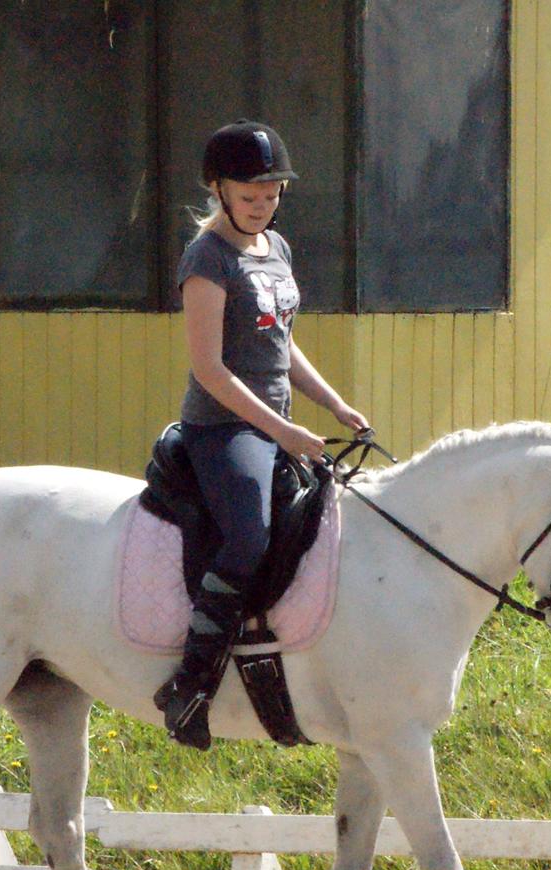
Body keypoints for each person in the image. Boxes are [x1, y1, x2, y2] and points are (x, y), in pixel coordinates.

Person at [153, 119, 369, 750]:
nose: (263, 205)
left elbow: (282, 343)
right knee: (249, 534)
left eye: (273, 194)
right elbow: (210, 370)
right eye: (250, 195)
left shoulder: (276, 248)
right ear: (218, 190)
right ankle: (190, 683)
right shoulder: (207, 259)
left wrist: (333, 404)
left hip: (277, 423)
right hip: (223, 427)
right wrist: (284, 431)